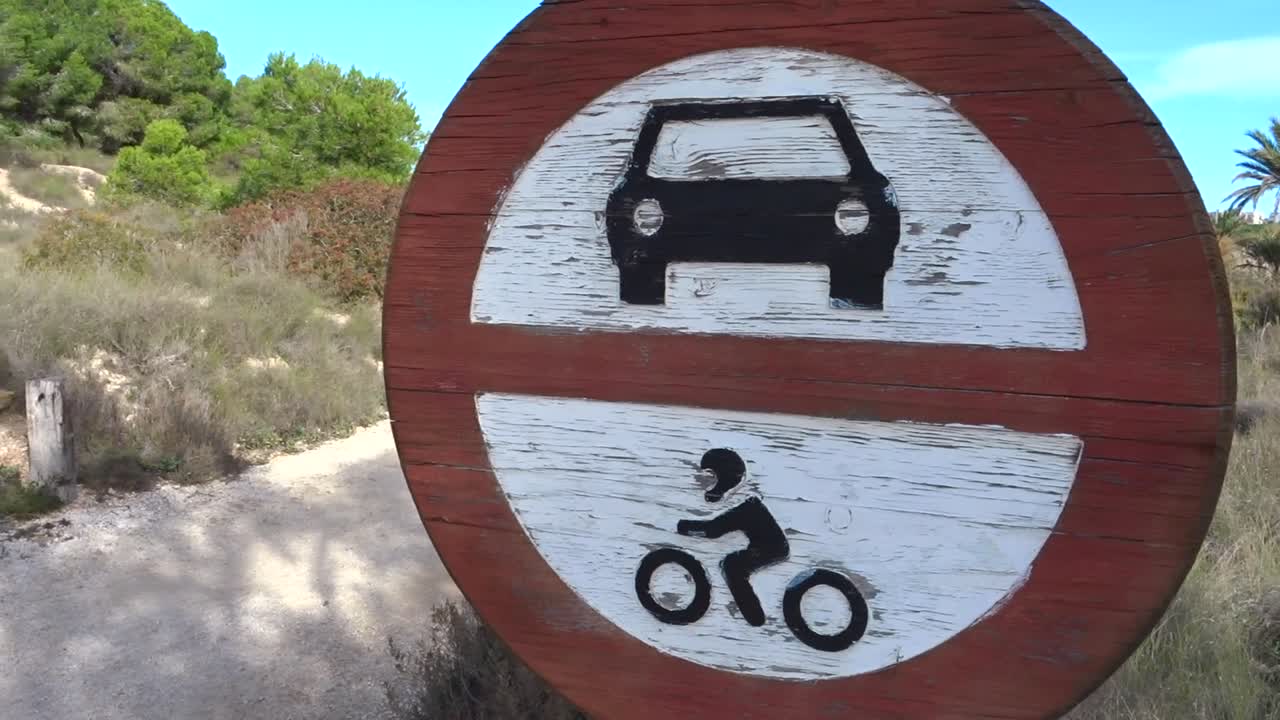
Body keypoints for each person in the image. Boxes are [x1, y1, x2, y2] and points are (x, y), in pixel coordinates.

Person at [677, 448, 790, 627]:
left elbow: (714, 530)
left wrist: (682, 527)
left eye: (710, 477)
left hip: (772, 548)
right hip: (764, 545)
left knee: (731, 565)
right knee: (732, 564)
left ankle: (755, 618)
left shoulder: (745, 505)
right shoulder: (746, 502)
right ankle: (755, 617)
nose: (705, 484)